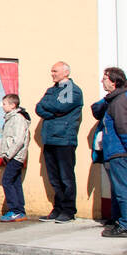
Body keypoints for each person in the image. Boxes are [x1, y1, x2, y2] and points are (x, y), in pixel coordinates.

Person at [96, 67, 127, 238]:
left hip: (120, 152)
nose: (102, 81)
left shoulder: (120, 101)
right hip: (124, 151)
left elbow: (124, 129)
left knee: (123, 189)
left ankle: (126, 225)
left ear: (114, 81)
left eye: (105, 78)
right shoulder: (122, 99)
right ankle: (126, 222)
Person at [34, 61, 84, 223]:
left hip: (64, 139)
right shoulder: (51, 90)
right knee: (54, 177)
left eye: (55, 71)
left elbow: (60, 107)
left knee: (66, 177)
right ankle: (58, 208)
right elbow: (39, 107)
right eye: (52, 71)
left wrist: (50, 108)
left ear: (65, 72)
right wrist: (51, 112)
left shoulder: (73, 90)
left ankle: (68, 210)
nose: (52, 74)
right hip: (49, 138)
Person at [0, 93, 31, 222]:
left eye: (5, 104)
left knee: (7, 181)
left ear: (13, 105)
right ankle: (19, 211)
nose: (3, 106)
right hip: (13, 156)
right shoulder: (10, 118)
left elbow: (18, 140)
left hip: (16, 157)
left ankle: (15, 210)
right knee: (15, 182)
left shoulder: (18, 119)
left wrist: (8, 155)